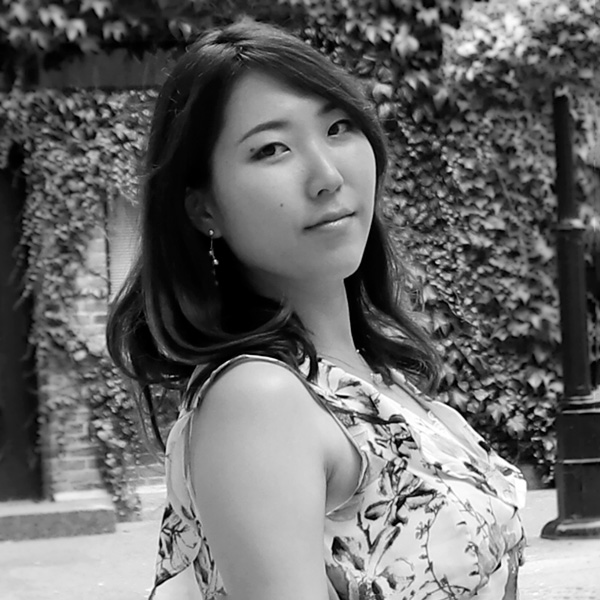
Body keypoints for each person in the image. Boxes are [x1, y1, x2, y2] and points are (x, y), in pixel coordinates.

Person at [106, 18, 527, 600]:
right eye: (271, 148)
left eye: (338, 127)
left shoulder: (368, 379)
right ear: (204, 208)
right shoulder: (259, 398)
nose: (327, 176)